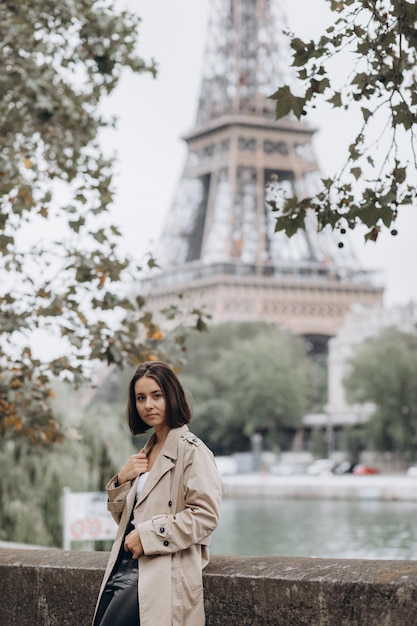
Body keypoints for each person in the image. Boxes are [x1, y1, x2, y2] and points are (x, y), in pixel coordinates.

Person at [92, 360, 223, 626]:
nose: (147, 405)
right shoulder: (147, 452)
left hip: (160, 573)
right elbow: (127, 524)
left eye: (156, 395)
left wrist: (149, 535)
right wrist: (122, 480)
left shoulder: (192, 450)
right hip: (123, 566)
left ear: (171, 396)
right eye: (141, 398)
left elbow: (206, 517)